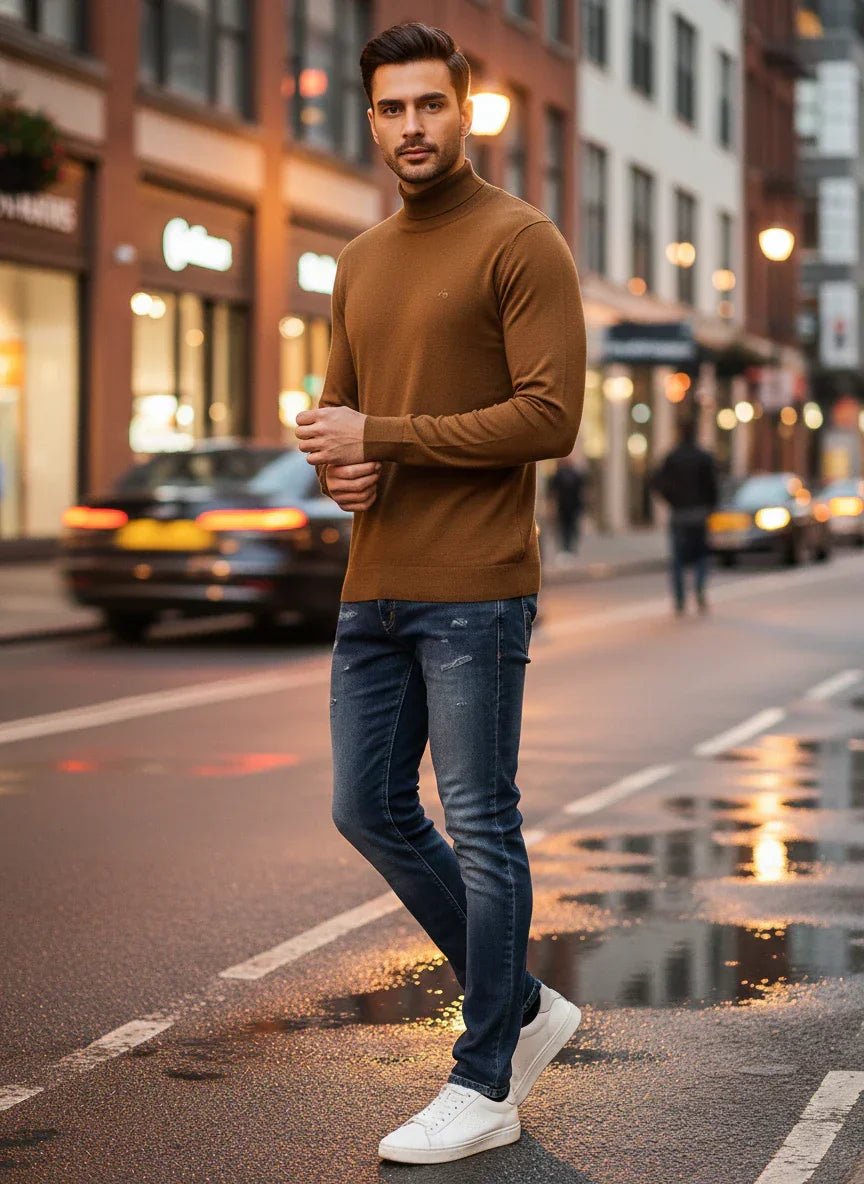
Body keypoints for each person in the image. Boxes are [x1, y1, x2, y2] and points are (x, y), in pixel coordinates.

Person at [295, 22, 586, 1166]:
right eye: (389, 109)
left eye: (429, 105)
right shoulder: (359, 261)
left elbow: (549, 417)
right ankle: (517, 998)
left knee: (480, 818)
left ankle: (485, 1076)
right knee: (366, 804)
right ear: (367, 120)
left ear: (463, 111)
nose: (410, 126)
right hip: (374, 586)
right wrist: (341, 466)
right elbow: (340, 423)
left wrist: (390, 438)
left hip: (475, 587)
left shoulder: (523, 240)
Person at [651, 417, 719, 616]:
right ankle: (699, 591)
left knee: (678, 558)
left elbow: (656, 482)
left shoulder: (672, 457)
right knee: (700, 557)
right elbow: (712, 486)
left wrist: (671, 500)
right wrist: (710, 507)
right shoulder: (703, 457)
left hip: (679, 514)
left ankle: (680, 599)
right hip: (698, 514)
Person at [548, 455, 586, 560]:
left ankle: (567, 548)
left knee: (566, 528)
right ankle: (569, 548)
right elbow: (582, 491)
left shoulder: (559, 475)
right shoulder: (574, 474)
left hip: (565, 506)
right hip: (571, 506)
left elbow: (552, 493)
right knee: (570, 528)